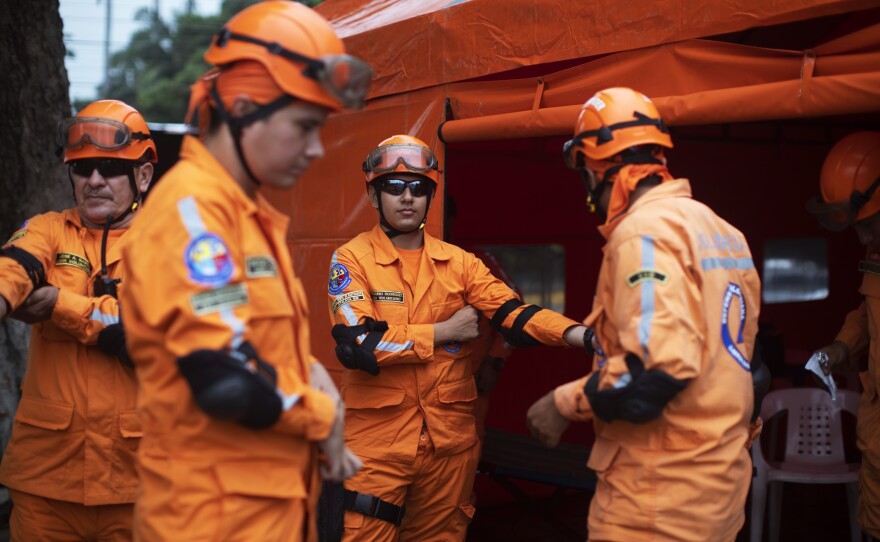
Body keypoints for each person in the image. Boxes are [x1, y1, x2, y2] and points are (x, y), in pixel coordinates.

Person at [117, 2, 372, 540]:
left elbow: (248, 339)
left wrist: (305, 369)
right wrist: (321, 414)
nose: (316, 148)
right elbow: (224, 379)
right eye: (304, 126)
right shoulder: (192, 217)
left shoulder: (241, 217)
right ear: (244, 105)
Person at [526, 87, 763, 541]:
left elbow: (653, 372)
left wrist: (560, 404)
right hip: (718, 492)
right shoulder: (723, 232)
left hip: (656, 503)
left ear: (597, 165)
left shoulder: (643, 235)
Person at [327, 134, 588, 541]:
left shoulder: (461, 264)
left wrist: (582, 336)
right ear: (374, 197)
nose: (407, 197)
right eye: (393, 187)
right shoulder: (350, 260)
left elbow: (514, 314)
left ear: (432, 196)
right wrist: (444, 332)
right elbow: (360, 345)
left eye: (419, 187)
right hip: (376, 447)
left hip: (450, 445)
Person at [0, 99, 156, 541]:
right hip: (45, 483)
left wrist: (57, 305)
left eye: (109, 168)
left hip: (140, 484)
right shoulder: (48, 228)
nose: (94, 181)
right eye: (82, 169)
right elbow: (14, 267)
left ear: (142, 175)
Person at [806, 130, 880, 540]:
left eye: (868, 225)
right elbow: (869, 315)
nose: (863, 239)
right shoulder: (877, 253)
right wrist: (841, 347)